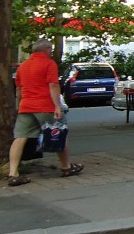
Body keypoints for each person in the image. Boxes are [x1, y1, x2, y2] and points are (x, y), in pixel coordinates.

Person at [7, 39, 82, 186]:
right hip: (44, 105)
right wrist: (57, 106)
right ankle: (66, 167)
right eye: (51, 49)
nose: (52, 52)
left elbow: (19, 89)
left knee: (20, 137)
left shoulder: (23, 67)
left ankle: (13, 173)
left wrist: (20, 105)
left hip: (26, 106)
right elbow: (53, 85)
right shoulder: (49, 64)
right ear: (46, 49)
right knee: (59, 132)